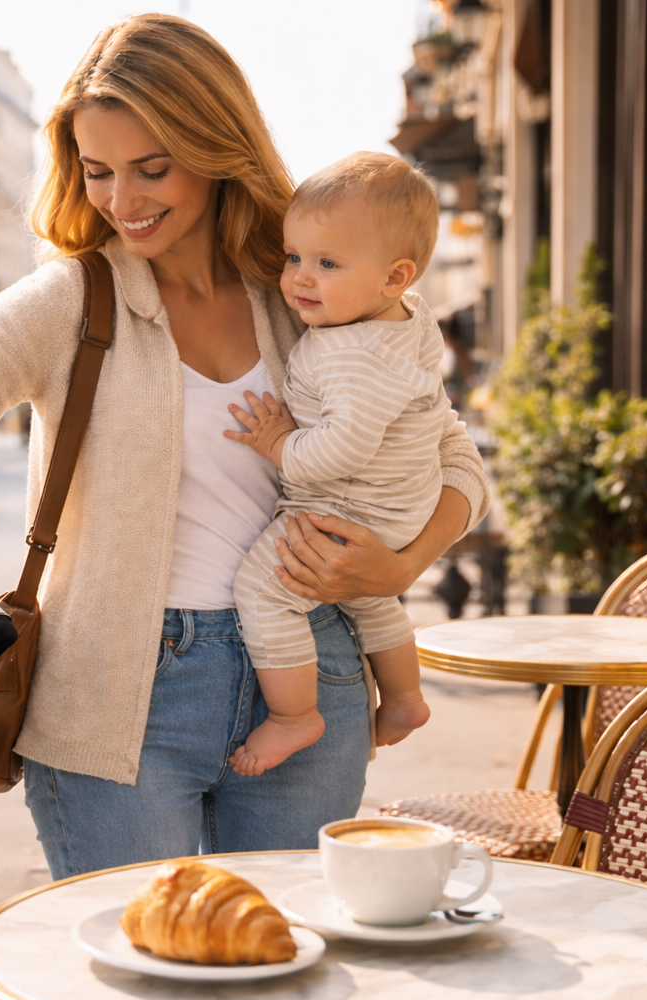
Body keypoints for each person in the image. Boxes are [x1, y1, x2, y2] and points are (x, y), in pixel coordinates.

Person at [0, 15, 489, 880]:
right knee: (139, 986)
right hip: (121, 696)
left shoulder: (307, 291)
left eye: (152, 167)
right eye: (98, 171)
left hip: (311, 672)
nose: (121, 199)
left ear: (217, 147)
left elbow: (455, 460)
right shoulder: (76, 296)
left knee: (291, 979)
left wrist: (400, 569)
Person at [225, 153, 446, 777]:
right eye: (294, 256)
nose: (299, 278)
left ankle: (296, 716)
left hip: (348, 505)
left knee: (265, 590)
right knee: (367, 599)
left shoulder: (352, 354)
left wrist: (277, 445)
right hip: (393, 511)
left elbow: (341, 450)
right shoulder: (406, 320)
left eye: (327, 264)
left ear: (394, 276)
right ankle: (403, 699)